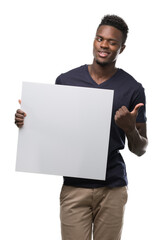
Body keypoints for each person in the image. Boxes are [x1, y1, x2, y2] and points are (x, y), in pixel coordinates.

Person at [15, 15, 148, 240]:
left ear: (121, 48)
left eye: (112, 42)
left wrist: (129, 129)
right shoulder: (66, 81)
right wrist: (29, 123)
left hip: (113, 187)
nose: (104, 45)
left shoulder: (132, 88)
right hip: (74, 188)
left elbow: (141, 148)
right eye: (99, 39)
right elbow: (55, 132)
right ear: (94, 40)